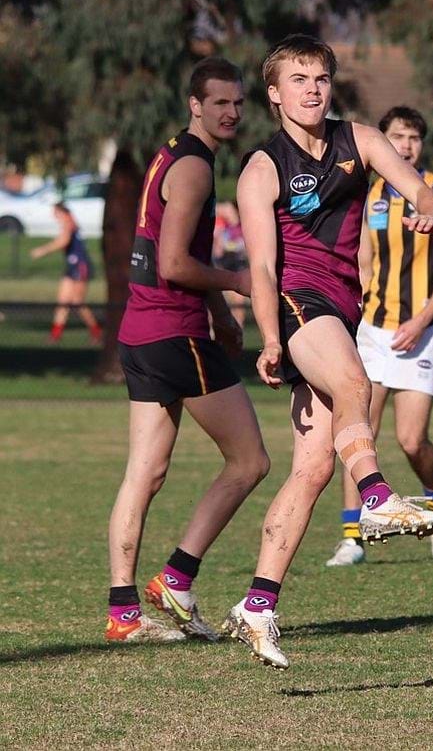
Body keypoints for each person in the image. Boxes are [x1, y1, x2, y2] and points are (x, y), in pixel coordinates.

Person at [223, 35, 433, 669]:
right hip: (299, 305)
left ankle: (259, 603)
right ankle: (377, 497)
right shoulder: (262, 168)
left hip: (342, 309)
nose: (312, 89)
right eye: (298, 80)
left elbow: (420, 188)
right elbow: (263, 268)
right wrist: (270, 338)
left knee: (313, 468)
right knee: (357, 384)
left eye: (321, 78)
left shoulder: (361, 140)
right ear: (274, 94)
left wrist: (429, 209)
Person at [106, 56, 270, 644]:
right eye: (220, 102)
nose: (231, 112)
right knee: (251, 461)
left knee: (144, 473)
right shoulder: (197, 167)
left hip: (140, 332)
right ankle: (177, 577)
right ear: (194, 104)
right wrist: (238, 283)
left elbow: (165, 253)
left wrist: (221, 312)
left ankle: (123, 613)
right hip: (174, 335)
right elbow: (176, 263)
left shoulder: (174, 152)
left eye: (238, 102)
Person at [325, 105, 433, 568]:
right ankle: (353, 534)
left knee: (412, 441)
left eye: (413, 137)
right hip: (374, 329)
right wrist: (359, 308)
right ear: (383, 141)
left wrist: (426, 316)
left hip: (421, 332)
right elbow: (363, 259)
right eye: (397, 137)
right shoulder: (371, 194)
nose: (405, 145)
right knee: (359, 431)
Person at [29, 202, 102, 344]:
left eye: (55, 213)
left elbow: (63, 241)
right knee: (63, 302)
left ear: (62, 212)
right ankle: (55, 335)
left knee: (77, 302)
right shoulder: (68, 223)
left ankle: (96, 332)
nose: (54, 216)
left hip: (80, 266)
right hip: (71, 267)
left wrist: (42, 251)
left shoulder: (69, 223)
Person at [212, 201, 248, 326]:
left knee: (238, 303)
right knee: (220, 302)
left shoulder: (243, 225)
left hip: (237, 265)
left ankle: (239, 328)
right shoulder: (221, 225)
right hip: (223, 265)